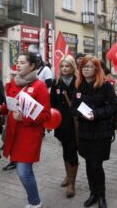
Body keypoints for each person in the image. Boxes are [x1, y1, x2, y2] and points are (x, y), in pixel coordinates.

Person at [0, 52, 51, 208]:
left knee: (24, 172)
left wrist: (24, 118)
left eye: (23, 62)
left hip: (29, 135)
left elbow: (46, 115)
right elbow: (12, 108)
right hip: (14, 133)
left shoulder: (40, 86)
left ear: (32, 66)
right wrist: (0, 107)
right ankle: (33, 201)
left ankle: (36, 202)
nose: (18, 65)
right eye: (17, 62)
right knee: (22, 171)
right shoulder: (13, 83)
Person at [71, 55, 117, 208]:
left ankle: (101, 195)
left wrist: (96, 114)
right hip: (85, 131)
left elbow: (113, 106)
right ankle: (93, 193)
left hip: (101, 131)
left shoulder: (106, 86)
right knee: (88, 163)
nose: (86, 69)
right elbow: (73, 108)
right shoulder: (78, 86)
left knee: (97, 164)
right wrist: (81, 114)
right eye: (83, 67)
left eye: (89, 66)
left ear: (97, 69)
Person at [50, 55, 79, 198]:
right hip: (61, 124)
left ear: (73, 67)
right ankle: (68, 175)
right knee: (66, 151)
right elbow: (52, 104)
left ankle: (72, 183)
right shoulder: (56, 83)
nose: (64, 68)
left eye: (67, 66)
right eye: (62, 66)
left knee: (72, 151)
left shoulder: (78, 82)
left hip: (75, 123)